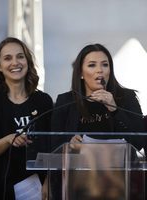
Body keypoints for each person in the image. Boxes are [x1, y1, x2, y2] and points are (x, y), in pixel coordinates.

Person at [50, 43, 146, 199]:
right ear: (81, 73)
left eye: (105, 65)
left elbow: (139, 140)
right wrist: (70, 144)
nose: (100, 70)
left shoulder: (126, 98)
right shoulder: (66, 101)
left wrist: (114, 108)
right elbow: (53, 144)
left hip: (121, 183)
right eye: (92, 65)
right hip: (77, 184)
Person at [0, 37, 53, 200]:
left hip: (37, 191)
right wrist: (8, 139)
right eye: (7, 58)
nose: (15, 62)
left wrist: (49, 182)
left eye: (20, 56)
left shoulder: (43, 101)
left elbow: (53, 147)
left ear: (27, 61)